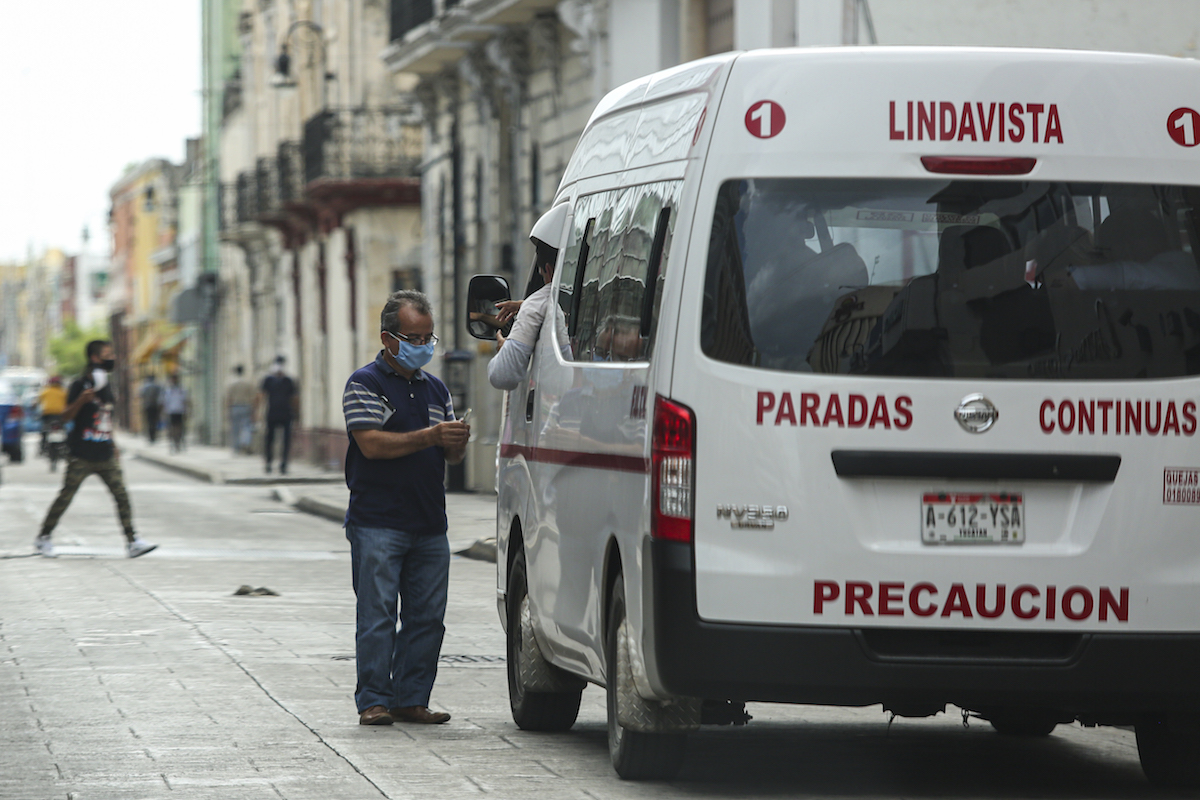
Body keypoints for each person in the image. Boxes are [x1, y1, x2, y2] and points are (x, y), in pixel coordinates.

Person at [341, 290, 469, 726]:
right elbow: (371, 444)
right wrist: (432, 436)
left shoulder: (436, 388)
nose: (424, 345)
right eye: (414, 336)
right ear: (388, 338)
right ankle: (374, 700)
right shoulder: (365, 383)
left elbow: (449, 458)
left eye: (429, 336)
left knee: (428, 618)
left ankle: (411, 697)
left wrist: (455, 443)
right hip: (378, 521)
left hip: (430, 522)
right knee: (377, 615)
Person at [35, 340, 157, 559]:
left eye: (112, 353)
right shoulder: (79, 384)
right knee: (66, 496)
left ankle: (132, 541)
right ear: (94, 357)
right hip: (81, 454)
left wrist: (114, 444)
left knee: (121, 495)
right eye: (106, 354)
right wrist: (81, 400)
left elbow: (107, 417)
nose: (111, 358)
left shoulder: (106, 384)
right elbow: (65, 417)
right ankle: (44, 537)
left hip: (105, 452)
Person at [486, 235, 569, 390]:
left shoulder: (538, 304)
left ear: (549, 270)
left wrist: (505, 349)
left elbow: (503, 376)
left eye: (542, 274)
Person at [260, 356, 297, 474]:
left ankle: (284, 463)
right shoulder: (268, 380)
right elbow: (261, 395)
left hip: (286, 413)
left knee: (286, 440)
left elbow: (294, 398)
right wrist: (258, 412)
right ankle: (269, 462)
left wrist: (296, 413)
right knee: (270, 439)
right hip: (272, 413)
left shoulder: (288, 381)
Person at [225, 365, 256, 455]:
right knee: (247, 426)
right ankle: (245, 442)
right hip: (246, 406)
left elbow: (229, 398)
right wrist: (253, 409)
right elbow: (253, 397)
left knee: (235, 428)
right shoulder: (248, 383)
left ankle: (236, 448)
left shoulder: (231, 384)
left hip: (235, 407)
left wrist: (227, 410)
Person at [37, 375, 67, 456]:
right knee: (63, 430)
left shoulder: (46, 391)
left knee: (44, 431)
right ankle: (65, 447)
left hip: (48, 415)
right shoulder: (63, 392)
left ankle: (42, 447)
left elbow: (37, 401)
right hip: (60, 415)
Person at [161, 373, 189, 453]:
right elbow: (164, 402)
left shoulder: (181, 390)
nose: (173, 381)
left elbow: (185, 401)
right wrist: (164, 412)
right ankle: (172, 444)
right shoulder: (168, 390)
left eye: (175, 379)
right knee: (172, 429)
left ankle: (178, 443)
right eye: (172, 379)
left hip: (180, 411)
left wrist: (186, 411)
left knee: (179, 428)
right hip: (171, 412)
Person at [139, 374, 162, 444]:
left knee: (148, 421)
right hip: (155, 406)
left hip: (147, 406)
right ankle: (154, 436)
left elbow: (141, 395)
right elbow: (161, 395)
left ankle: (150, 436)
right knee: (154, 421)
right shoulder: (157, 386)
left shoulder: (145, 386)